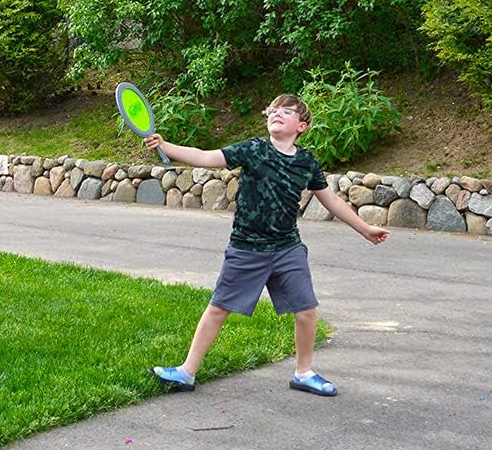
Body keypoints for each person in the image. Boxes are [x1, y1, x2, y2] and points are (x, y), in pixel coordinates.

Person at [145, 93, 388, 397]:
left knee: (307, 310)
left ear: (301, 126)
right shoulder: (254, 149)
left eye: (285, 112)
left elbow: (332, 200)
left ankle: (304, 372)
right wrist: (166, 147)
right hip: (247, 247)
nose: (276, 114)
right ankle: (185, 372)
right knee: (219, 308)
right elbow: (207, 157)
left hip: (287, 247)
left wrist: (364, 229)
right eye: (272, 110)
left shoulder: (305, 162)